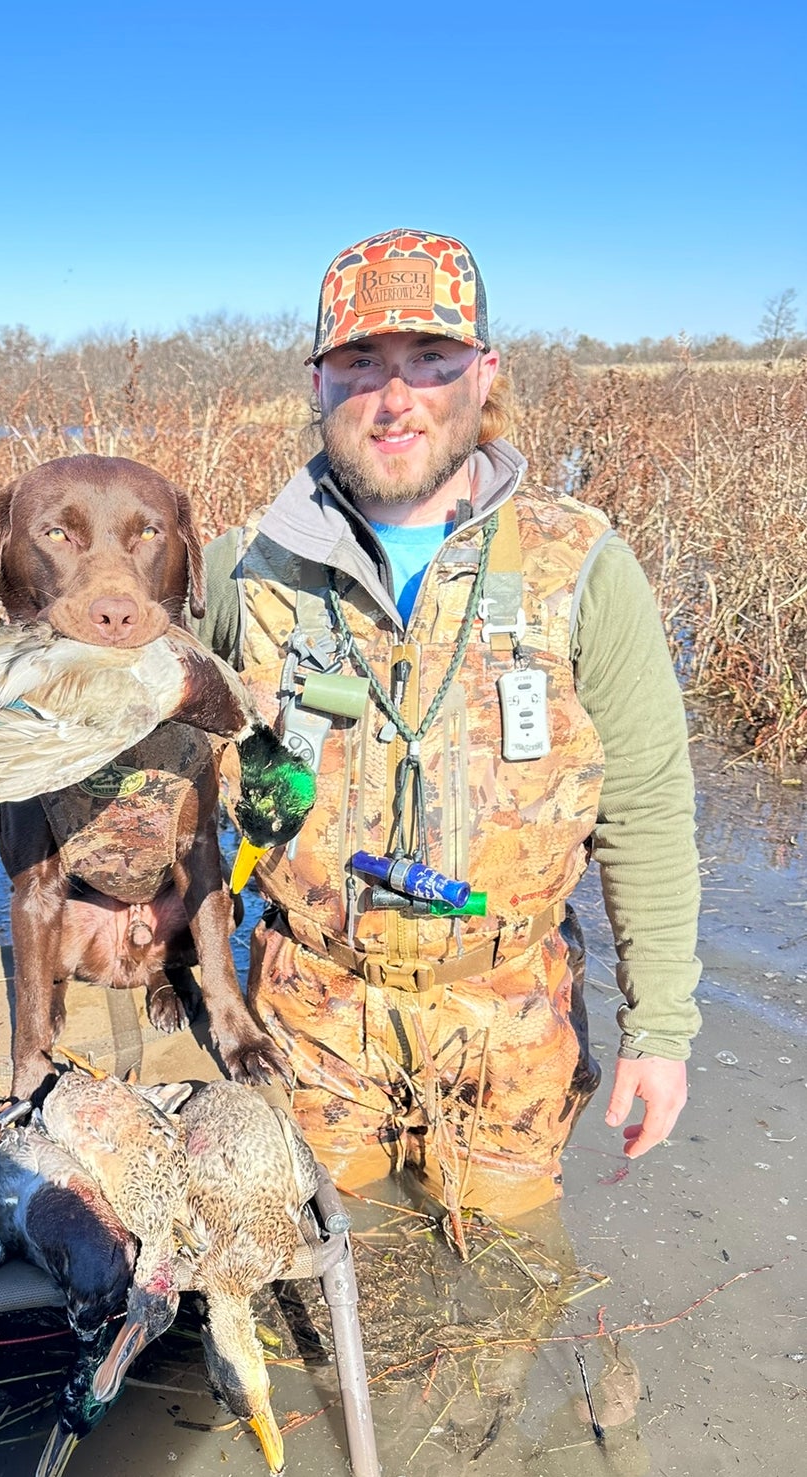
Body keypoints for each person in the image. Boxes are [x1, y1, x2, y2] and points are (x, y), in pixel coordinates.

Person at [198, 229, 700, 1218]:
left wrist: (663, 1032)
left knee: (507, 1303)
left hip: (511, 1022)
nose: (396, 398)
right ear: (318, 381)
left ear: (485, 373)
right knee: (299, 1272)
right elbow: (166, 783)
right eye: (361, 363)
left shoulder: (582, 565)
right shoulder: (242, 571)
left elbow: (644, 809)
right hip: (307, 1018)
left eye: (430, 361)